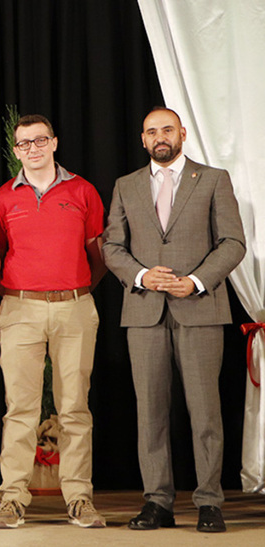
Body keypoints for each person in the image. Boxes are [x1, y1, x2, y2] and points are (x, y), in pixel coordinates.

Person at [103, 107, 245, 533]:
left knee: (205, 412)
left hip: (200, 310)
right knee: (151, 413)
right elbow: (113, 247)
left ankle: (209, 503)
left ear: (182, 133)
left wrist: (198, 281)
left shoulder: (214, 179)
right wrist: (143, 275)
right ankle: (158, 503)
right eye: (151, 131)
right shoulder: (126, 186)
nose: (160, 137)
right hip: (145, 312)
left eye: (167, 129)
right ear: (143, 140)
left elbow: (233, 242)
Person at [0, 114, 106, 529]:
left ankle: (78, 497)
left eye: (40, 141)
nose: (32, 149)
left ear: (54, 143)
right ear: (17, 150)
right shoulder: (2, 198)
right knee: (20, 408)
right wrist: (23, 295)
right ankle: (13, 498)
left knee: (74, 407)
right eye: (24, 144)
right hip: (20, 309)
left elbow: (98, 256)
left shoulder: (83, 191)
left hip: (75, 306)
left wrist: (72, 289)